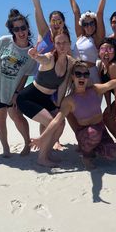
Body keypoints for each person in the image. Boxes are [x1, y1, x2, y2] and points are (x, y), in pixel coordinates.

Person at [30, 61, 116, 169]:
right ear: (72, 77)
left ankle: (93, 148)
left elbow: (110, 84)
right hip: (85, 132)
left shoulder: (94, 89)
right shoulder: (69, 100)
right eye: (78, 74)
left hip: (101, 129)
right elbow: (57, 120)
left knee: (111, 153)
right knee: (93, 133)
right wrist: (42, 138)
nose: (82, 77)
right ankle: (86, 156)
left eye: (86, 74)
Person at [16, 30, 75, 165]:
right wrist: (34, 55)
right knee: (51, 123)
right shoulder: (49, 58)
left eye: (64, 43)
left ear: (69, 44)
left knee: (60, 123)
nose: (61, 46)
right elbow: (41, 58)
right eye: (58, 43)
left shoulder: (70, 62)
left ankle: (46, 151)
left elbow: (63, 86)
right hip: (28, 98)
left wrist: (58, 106)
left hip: (46, 99)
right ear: (54, 44)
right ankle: (41, 158)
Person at [0, 9, 36, 157]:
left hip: (11, 91)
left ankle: (27, 144)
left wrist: (16, 94)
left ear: (27, 28)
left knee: (17, 117)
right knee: (0, 120)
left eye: (23, 28)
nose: (21, 32)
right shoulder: (4, 41)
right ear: (12, 30)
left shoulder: (31, 52)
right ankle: (6, 149)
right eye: (17, 29)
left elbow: (25, 76)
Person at [57, 0, 115, 82]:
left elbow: (100, 14)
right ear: (82, 26)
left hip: (90, 74)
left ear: (95, 23)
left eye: (91, 23)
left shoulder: (98, 38)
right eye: (85, 24)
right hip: (76, 73)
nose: (89, 26)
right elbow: (76, 13)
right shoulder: (80, 36)